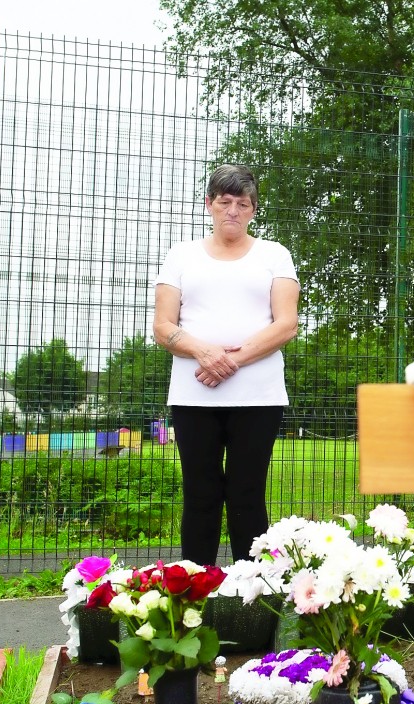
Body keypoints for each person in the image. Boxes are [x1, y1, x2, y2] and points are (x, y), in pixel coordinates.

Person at [153, 164, 300, 563]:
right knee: (200, 495)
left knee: (247, 495)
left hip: (259, 397)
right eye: (224, 201)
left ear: (253, 209)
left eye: (242, 203)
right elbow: (163, 327)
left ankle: (250, 597)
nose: (233, 210)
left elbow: (286, 324)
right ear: (209, 205)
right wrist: (203, 352)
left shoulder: (275, 255)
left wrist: (229, 360)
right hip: (193, 397)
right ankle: (194, 591)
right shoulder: (181, 255)